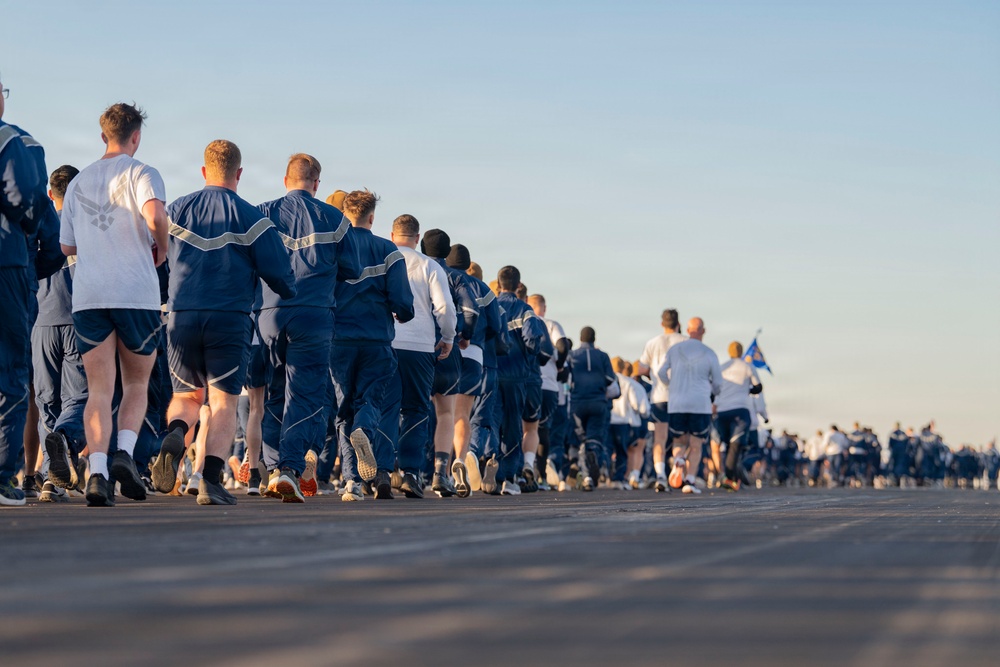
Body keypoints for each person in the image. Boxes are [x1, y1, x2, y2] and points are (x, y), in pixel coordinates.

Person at [156, 140, 296, 505]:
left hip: (181, 315)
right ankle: (211, 480)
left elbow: (155, 257)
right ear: (239, 174)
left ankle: (175, 433)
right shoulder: (253, 218)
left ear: (204, 171)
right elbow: (280, 275)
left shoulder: (175, 211)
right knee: (223, 402)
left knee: (187, 397)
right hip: (229, 318)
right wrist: (287, 290)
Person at [58, 103, 168, 507]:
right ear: (136, 136)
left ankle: (98, 472)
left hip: (89, 295)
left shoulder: (78, 182)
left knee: (99, 390)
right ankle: (125, 451)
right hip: (136, 293)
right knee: (137, 383)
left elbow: (66, 244)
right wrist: (162, 247)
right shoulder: (142, 172)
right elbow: (155, 213)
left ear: (103, 134)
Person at [257, 154, 358, 502]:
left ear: (286, 180)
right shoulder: (336, 219)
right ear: (317, 184)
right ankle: (288, 468)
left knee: (273, 389)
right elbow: (354, 269)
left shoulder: (262, 212)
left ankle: (271, 470)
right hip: (313, 315)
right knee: (305, 394)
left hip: (269, 314)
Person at [330, 190, 414, 502]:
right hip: (377, 338)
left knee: (343, 409)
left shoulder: (334, 247)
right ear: (372, 217)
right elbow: (403, 301)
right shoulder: (388, 250)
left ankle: (351, 482)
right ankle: (364, 428)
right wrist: (402, 314)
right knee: (371, 400)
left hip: (338, 339)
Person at [385, 214, 455, 499]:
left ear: (392, 235)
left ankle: (382, 471)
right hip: (420, 347)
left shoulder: (382, 258)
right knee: (415, 410)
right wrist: (448, 337)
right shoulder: (428, 265)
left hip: (385, 342)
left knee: (385, 407)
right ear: (417, 239)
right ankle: (411, 474)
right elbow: (445, 308)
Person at [32, 165, 87, 503]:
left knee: (45, 402)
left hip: (40, 320)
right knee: (78, 398)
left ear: (50, 193)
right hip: (78, 320)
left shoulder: (38, 224)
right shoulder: (85, 226)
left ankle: (52, 478)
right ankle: (64, 442)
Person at [420, 230, 479, 497]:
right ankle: (440, 471)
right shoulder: (456, 277)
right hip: (447, 349)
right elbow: (470, 309)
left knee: (411, 411)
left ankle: (405, 469)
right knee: (446, 414)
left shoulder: (415, 268)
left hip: (415, 348)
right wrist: (464, 335)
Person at [448, 244, 502, 497]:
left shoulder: (441, 276)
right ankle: (460, 457)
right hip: (474, 353)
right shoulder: (484, 289)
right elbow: (496, 325)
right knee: (462, 414)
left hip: (444, 348)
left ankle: (438, 469)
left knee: (440, 413)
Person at [490, 266, 548, 495]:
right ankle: (509, 477)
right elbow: (533, 340)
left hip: (493, 372)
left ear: (498, 283)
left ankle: (489, 462)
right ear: (518, 285)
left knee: (493, 421)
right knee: (514, 426)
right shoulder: (526, 310)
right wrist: (528, 355)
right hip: (516, 376)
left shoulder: (491, 305)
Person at [658, 317, 721, 495]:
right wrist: (712, 393)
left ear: (687, 329)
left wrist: (672, 385)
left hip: (677, 402)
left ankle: (678, 460)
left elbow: (661, 372)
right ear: (703, 331)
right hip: (700, 404)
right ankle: (690, 480)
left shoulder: (675, 349)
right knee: (696, 444)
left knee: (678, 440)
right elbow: (717, 383)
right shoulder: (709, 353)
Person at [637, 308, 686, 492]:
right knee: (680, 439)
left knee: (660, 438)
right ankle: (678, 462)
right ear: (678, 324)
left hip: (659, 396)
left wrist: (653, 375)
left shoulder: (652, 343)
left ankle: (661, 476)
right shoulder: (686, 342)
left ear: (661, 324)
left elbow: (641, 369)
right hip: (681, 396)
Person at [526, 294, 570, 490]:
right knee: (542, 430)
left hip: (526, 380)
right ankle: (540, 476)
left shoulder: (524, 320)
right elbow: (562, 345)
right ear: (544, 308)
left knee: (523, 428)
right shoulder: (552, 324)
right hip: (549, 385)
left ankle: (519, 471)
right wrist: (559, 365)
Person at [569, 327, 616, 491]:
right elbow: (611, 380)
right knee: (594, 437)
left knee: (580, 438)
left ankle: (583, 469)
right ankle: (592, 459)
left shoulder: (572, 356)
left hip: (577, 402)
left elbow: (565, 378)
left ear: (580, 338)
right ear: (594, 338)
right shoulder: (602, 356)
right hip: (597, 401)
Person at [714, 341, 762, 491]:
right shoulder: (747, 366)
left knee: (727, 445)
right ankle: (730, 476)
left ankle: (731, 476)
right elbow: (758, 387)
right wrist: (747, 390)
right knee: (735, 446)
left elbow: (714, 388)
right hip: (740, 410)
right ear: (741, 352)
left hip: (722, 411)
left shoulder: (722, 367)